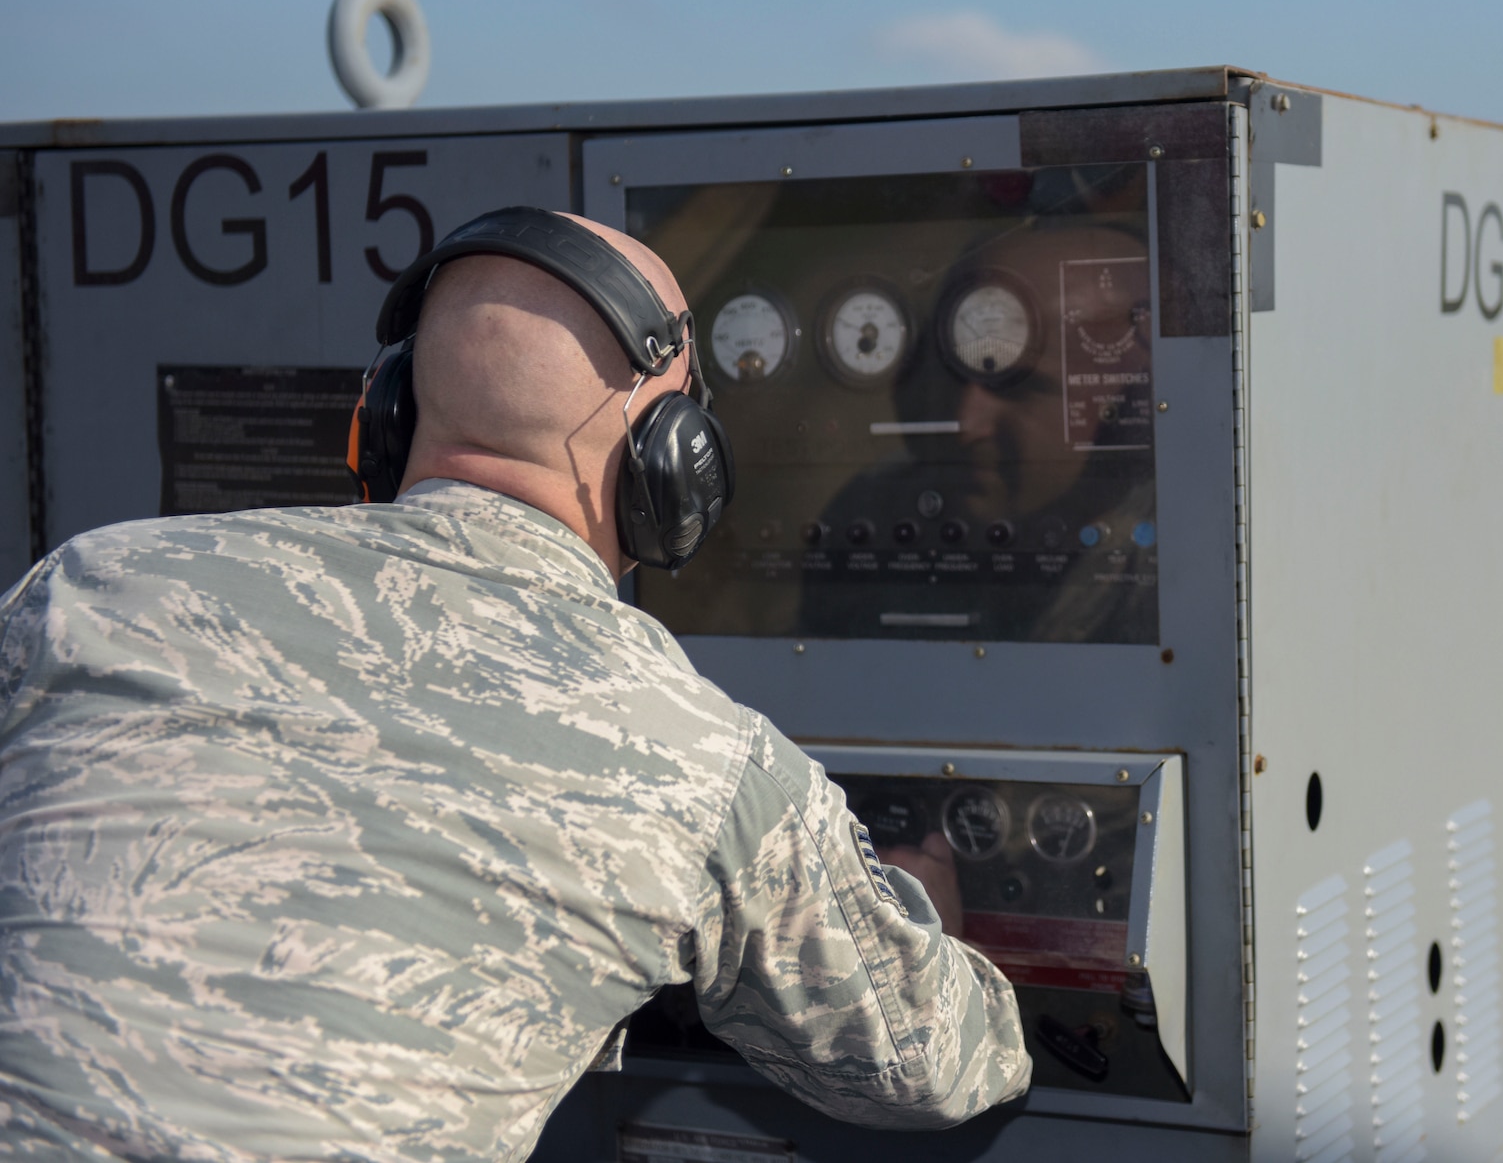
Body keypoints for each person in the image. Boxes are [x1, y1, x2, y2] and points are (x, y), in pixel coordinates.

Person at [0, 211, 1030, 1160]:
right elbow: (927, 1061)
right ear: (670, 462)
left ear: (389, 417)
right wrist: (932, 920)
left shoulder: (90, 587)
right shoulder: (703, 761)